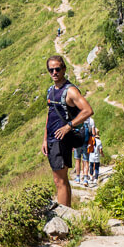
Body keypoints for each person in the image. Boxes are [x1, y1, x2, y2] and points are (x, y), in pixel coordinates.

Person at [41, 55, 94, 206]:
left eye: (57, 69)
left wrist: (68, 126)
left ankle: (65, 217)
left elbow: (88, 110)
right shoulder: (51, 90)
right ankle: (66, 214)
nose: (54, 72)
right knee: (58, 180)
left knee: (60, 180)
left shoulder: (70, 91)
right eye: (51, 70)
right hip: (51, 139)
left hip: (61, 140)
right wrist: (45, 139)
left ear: (64, 69)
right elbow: (49, 116)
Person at [74, 115, 95, 186]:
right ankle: (85, 179)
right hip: (86, 144)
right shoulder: (91, 121)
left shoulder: (77, 118)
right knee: (86, 161)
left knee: (77, 160)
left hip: (77, 144)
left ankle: (77, 178)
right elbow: (93, 133)